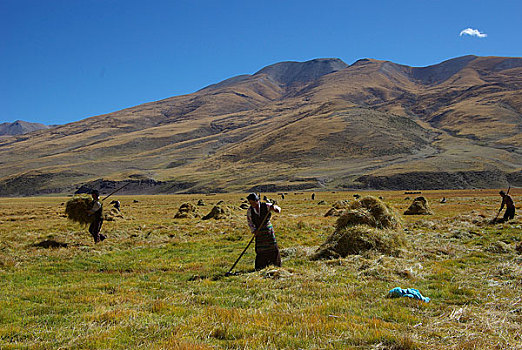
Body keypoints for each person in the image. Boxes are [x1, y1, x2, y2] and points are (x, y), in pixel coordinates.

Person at [246, 193, 282, 270]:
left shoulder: (266, 205)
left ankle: (275, 264)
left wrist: (274, 208)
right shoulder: (250, 211)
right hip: (259, 231)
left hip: (268, 230)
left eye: (253, 202)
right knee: (260, 249)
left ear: (257, 201)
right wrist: (254, 231)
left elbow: (278, 210)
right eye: (250, 203)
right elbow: (250, 222)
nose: (252, 204)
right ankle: (261, 266)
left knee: (272, 247)